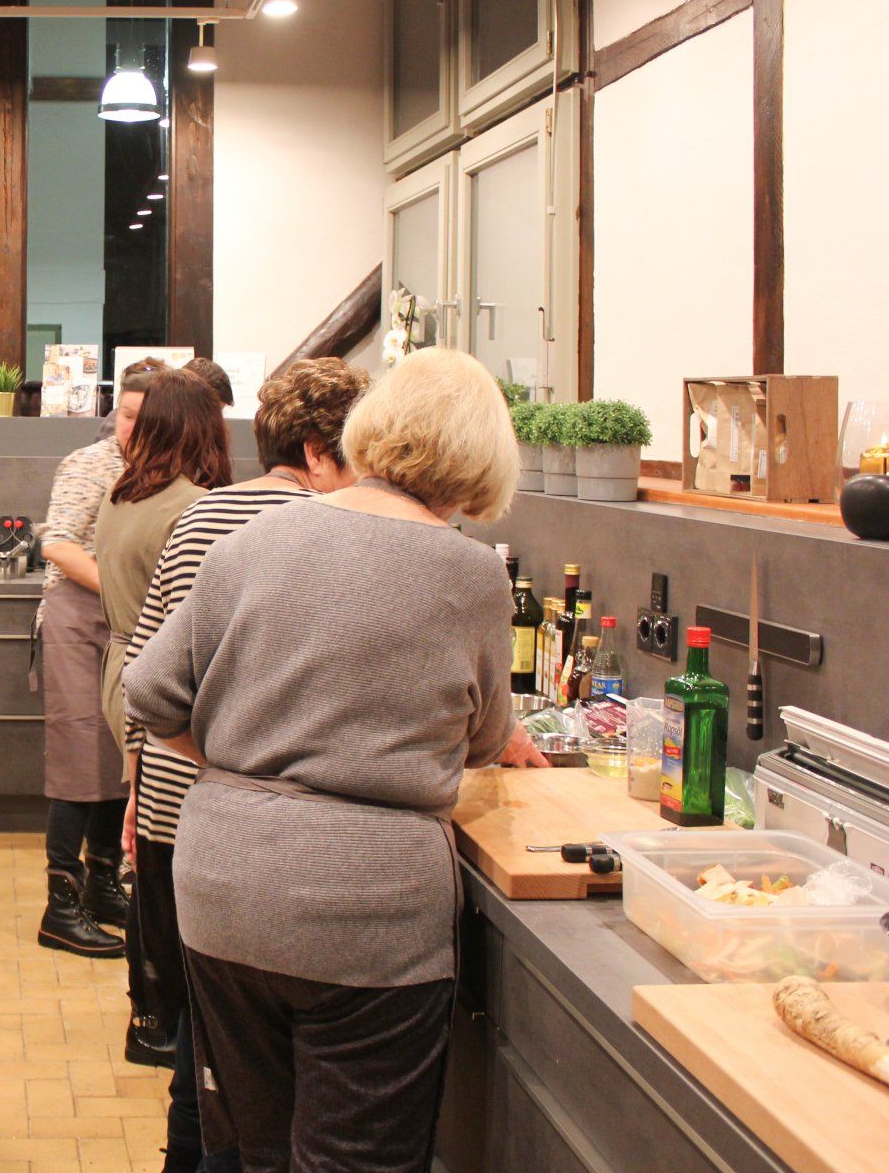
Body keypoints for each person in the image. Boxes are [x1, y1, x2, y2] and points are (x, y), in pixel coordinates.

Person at [123, 348, 548, 1173]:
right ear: (484, 460)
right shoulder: (471, 573)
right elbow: (489, 741)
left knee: (256, 1153)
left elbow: (148, 689)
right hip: (368, 912)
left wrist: (243, 763)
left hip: (222, 887)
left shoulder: (257, 533)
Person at [116, 357, 368, 1167]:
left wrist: (136, 788)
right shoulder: (342, 532)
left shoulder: (200, 517)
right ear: (323, 451)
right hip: (250, 822)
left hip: (167, 801)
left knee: (198, 1042)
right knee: (251, 1067)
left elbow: (146, 672)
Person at [95, 368, 231, 1032]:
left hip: (121, 668)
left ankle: (145, 1007)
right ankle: (161, 1014)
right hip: (161, 681)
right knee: (162, 855)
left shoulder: (122, 495)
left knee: (142, 839)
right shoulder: (189, 506)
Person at [34, 358, 164, 958]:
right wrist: (121, 591)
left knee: (120, 750)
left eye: (142, 416)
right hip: (76, 618)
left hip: (126, 624)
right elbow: (57, 542)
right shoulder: (90, 464)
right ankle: (60, 904)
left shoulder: (164, 471)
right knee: (78, 754)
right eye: (125, 415)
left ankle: (103, 878)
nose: (130, 427)